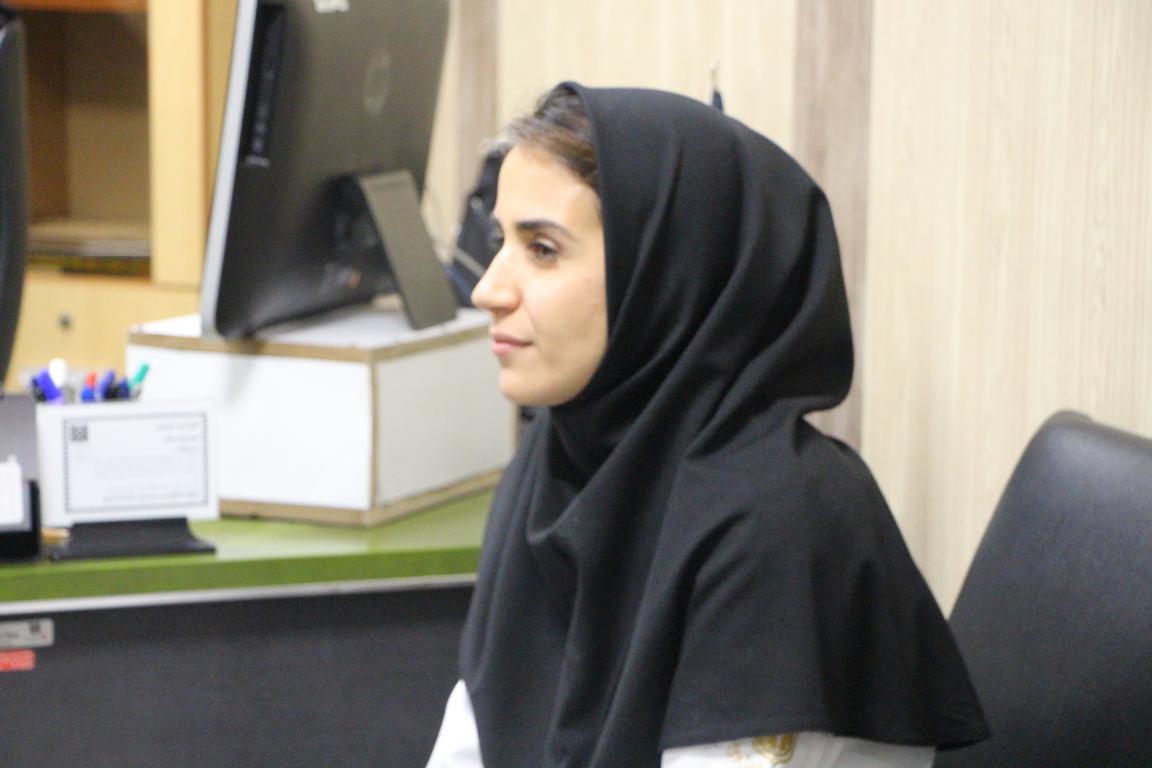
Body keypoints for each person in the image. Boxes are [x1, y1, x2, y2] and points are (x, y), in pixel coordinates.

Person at [426, 83, 988, 767]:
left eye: (542, 249)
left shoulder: (780, 522)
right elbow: (475, 736)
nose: (488, 288)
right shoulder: (557, 458)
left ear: (665, 270)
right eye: (500, 241)